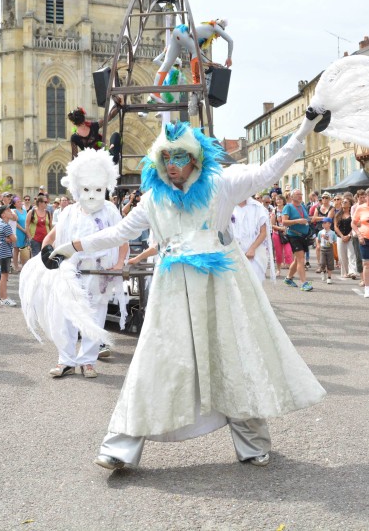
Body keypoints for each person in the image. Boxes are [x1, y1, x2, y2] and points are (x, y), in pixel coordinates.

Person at [48, 115, 327, 470]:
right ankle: (121, 446)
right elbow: (116, 233)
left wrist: (303, 130)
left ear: (195, 158)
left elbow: (268, 171)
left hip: (220, 287)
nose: (173, 165)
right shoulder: (153, 200)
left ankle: (254, 443)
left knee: (231, 357)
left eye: (180, 157)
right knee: (156, 359)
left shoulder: (221, 185)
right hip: (172, 290)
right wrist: (70, 247)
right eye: (166, 158)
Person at [35, 148, 127, 379]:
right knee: (66, 315)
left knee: (94, 317)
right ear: (77, 188)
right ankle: (65, 360)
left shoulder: (110, 211)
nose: (93, 194)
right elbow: (51, 237)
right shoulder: (69, 212)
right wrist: (46, 254)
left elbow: (122, 238)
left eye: (98, 189)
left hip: (98, 273)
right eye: (87, 189)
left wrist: (117, 265)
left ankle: (88, 361)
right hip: (70, 273)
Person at [153, 18, 233, 87]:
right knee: (196, 51)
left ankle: (155, 93)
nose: (219, 36)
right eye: (220, 34)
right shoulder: (215, 27)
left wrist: (209, 63)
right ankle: (196, 81)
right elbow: (230, 41)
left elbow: (198, 51)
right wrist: (229, 58)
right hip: (183, 33)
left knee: (167, 63)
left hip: (177, 32)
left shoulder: (205, 32)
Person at [231, 197, 273, 284]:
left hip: (254, 254)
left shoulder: (257, 207)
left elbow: (263, 232)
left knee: (254, 284)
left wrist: (252, 248)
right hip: (234, 253)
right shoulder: (228, 206)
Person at [282, 189, 313, 291]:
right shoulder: (288, 207)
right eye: (297, 195)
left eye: (301, 194)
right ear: (292, 197)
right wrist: (297, 221)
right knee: (301, 259)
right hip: (294, 236)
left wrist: (321, 218)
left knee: (297, 259)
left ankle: (288, 278)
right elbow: (284, 222)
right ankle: (304, 283)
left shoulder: (303, 206)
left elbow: (307, 218)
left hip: (303, 236)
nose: (300, 196)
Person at [0, 205, 18, 306]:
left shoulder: (2, 224)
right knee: (4, 276)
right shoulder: (6, 225)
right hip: (4, 252)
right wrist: (11, 238)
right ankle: (3, 297)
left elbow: (11, 238)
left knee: (4, 275)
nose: (11, 212)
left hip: (3, 251)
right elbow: (14, 239)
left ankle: (4, 296)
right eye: (8, 211)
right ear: (3, 215)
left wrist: (10, 238)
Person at [333, 196, 358, 280]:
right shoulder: (338, 214)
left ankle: (352, 272)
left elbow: (354, 225)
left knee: (351, 254)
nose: (343, 202)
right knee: (342, 255)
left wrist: (349, 235)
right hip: (340, 237)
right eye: (343, 201)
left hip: (350, 237)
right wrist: (342, 236)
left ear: (350, 204)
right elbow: (336, 227)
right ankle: (345, 272)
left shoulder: (352, 214)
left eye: (346, 202)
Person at [270, 194, 293, 273]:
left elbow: (292, 221)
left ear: (283, 200)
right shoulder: (274, 211)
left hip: (288, 233)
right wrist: (280, 228)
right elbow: (272, 224)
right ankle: (279, 270)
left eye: (280, 199)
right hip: (277, 234)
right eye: (277, 199)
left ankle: (290, 271)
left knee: (288, 251)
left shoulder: (288, 209)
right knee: (278, 253)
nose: (278, 201)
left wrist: (287, 228)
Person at [315, 218, 335, 284]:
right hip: (323, 248)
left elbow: (334, 242)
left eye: (325, 222)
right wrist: (318, 245)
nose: (323, 224)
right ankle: (323, 271)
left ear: (329, 224)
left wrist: (328, 239)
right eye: (322, 222)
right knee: (322, 262)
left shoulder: (332, 233)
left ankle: (329, 277)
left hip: (330, 248)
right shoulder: (320, 232)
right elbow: (318, 240)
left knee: (330, 263)